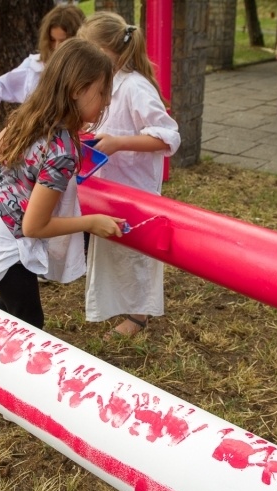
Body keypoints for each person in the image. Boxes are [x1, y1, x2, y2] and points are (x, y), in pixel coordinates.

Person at [0, 39, 124, 330]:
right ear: (77, 90)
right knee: (30, 322)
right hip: (4, 245)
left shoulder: (33, 113)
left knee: (12, 306)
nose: (107, 101)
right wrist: (90, 222)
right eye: (102, 92)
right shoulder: (61, 151)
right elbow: (34, 227)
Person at [78, 12, 181, 338]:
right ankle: (118, 305)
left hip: (135, 190)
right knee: (114, 249)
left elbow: (168, 136)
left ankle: (139, 316)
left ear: (111, 51)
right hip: (109, 187)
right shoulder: (105, 83)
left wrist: (119, 143)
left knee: (137, 255)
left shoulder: (135, 87)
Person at [0, 4, 85, 118]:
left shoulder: (88, 67)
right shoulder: (35, 66)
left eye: (63, 41)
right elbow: (4, 83)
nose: (56, 47)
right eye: (52, 40)